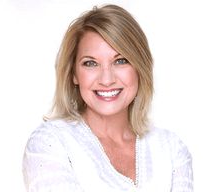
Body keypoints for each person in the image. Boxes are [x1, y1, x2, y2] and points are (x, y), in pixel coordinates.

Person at [22, 4, 193, 192]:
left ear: (139, 68)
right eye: (90, 63)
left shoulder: (171, 149)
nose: (107, 79)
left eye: (120, 61)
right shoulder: (50, 143)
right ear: (74, 74)